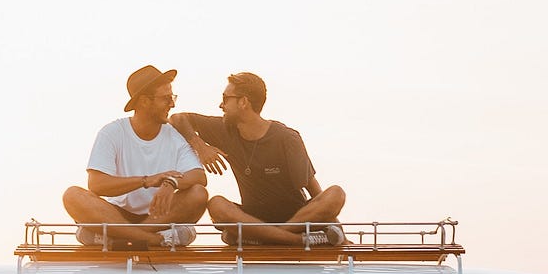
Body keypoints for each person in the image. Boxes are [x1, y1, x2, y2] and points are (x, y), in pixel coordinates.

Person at [170, 72, 346, 247]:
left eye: (225, 98)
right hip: (253, 218)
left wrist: (336, 225)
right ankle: (295, 241)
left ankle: (265, 237)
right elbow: (178, 118)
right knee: (216, 204)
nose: (221, 105)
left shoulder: (287, 138)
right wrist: (201, 147)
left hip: (296, 218)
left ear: (243, 102)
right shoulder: (225, 129)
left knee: (336, 194)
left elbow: (313, 188)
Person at [62, 65, 209, 248]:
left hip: (160, 216)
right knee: (72, 195)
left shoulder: (174, 136)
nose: (172, 104)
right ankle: (152, 238)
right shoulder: (112, 133)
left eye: (172, 98)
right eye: (166, 98)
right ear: (144, 102)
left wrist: (171, 182)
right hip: (116, 214)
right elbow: (97, 185)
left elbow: (199, 176)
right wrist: (146, 181)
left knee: (198, 194)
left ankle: (122, 236)